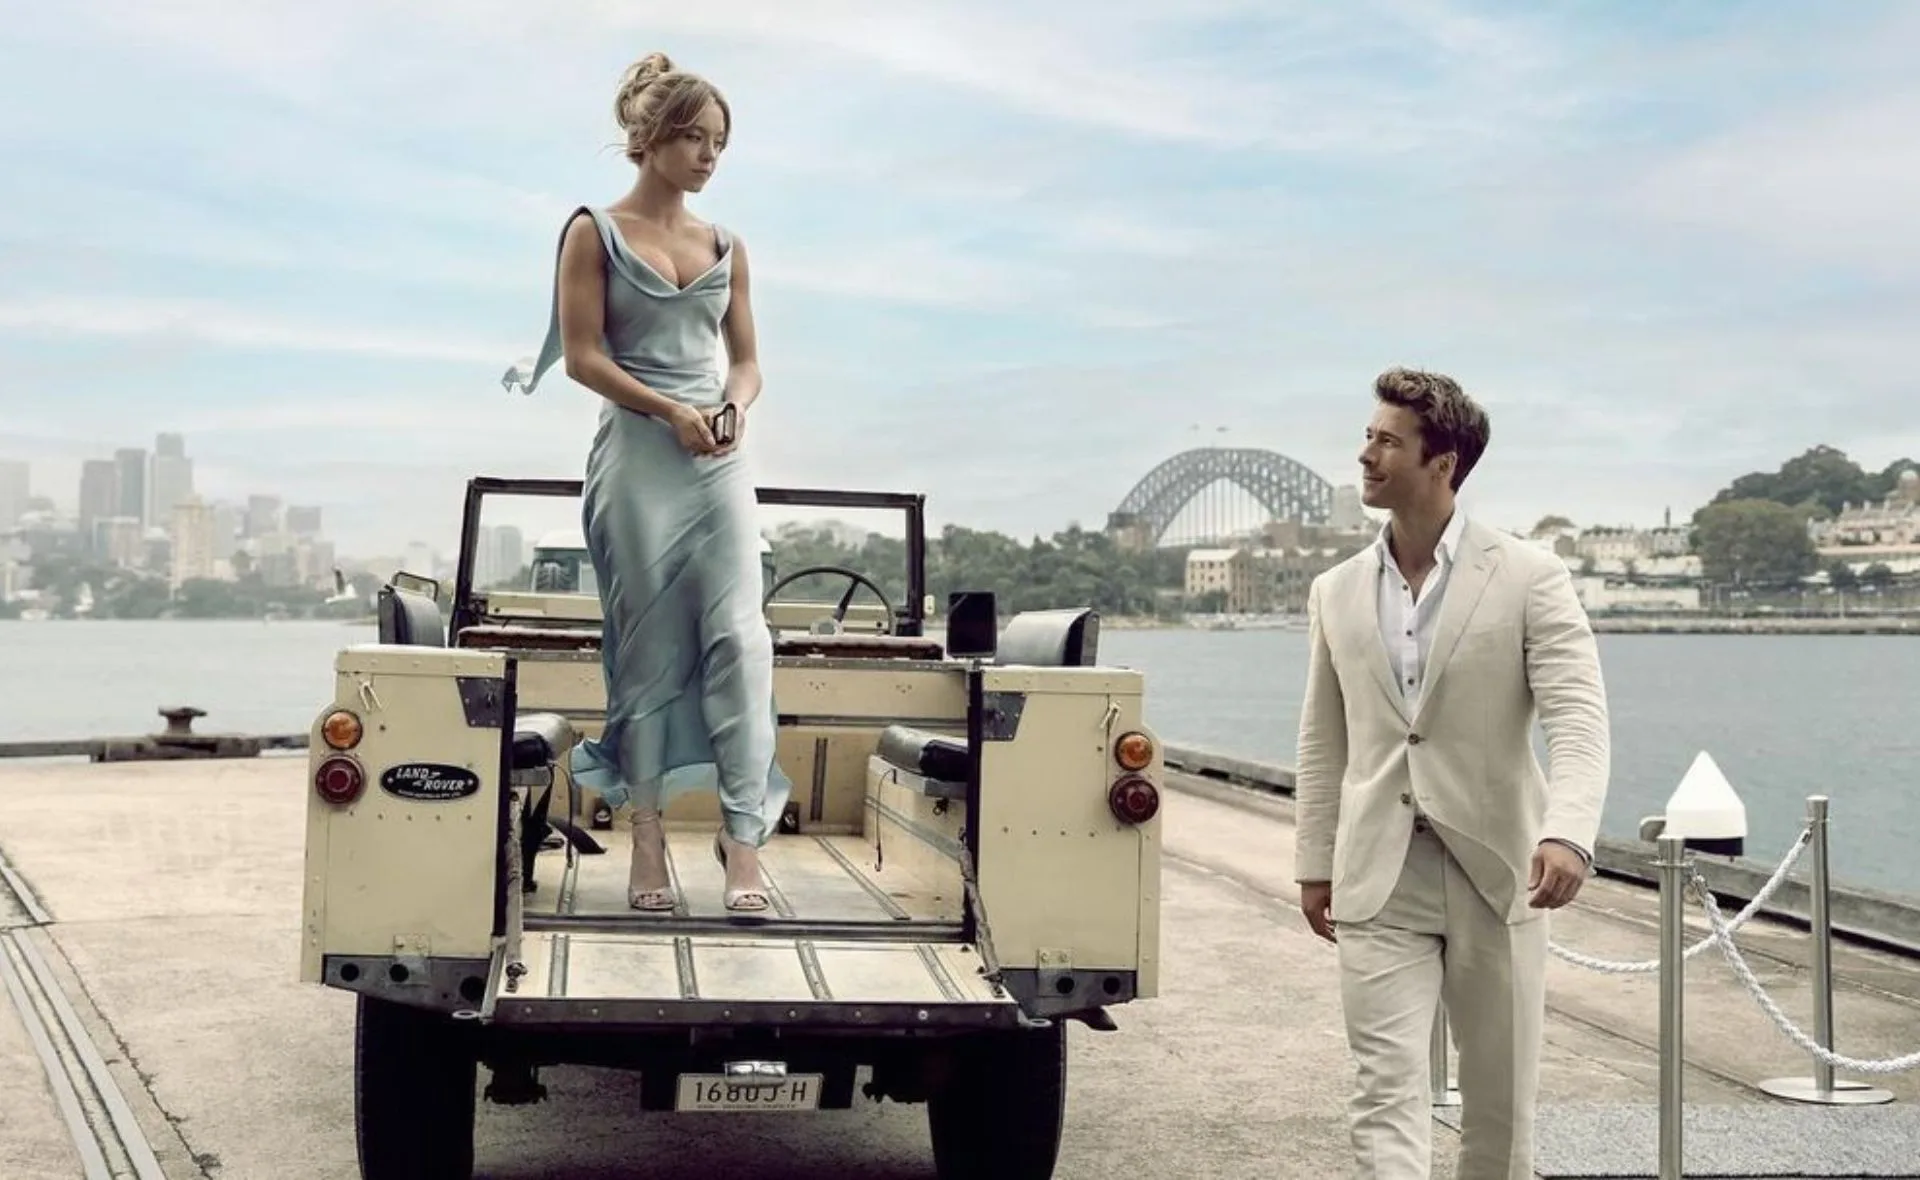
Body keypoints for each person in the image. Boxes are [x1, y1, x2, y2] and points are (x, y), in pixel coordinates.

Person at [1292, 368, 1611, 1179]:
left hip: (1498, 873)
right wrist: (1313, 862)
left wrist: (1568, 832)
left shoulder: (1530, 575)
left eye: (1386, 440)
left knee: (1501, 1110)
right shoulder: (1334, 592)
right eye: (1368, 435)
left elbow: (1578, 717)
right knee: (1384, 1096)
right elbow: (1324, 740)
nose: (1364, 454)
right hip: (1377, 876)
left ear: (1444, 463)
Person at [503, 51, 792, 914]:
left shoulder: (727, 244)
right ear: (651, 139)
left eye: (719, 142)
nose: (709, 156)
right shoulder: (594, 230)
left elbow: (746, 363)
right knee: (648, 652)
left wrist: (731, 410)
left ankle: (744, 846)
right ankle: (649, 835)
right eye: (695, 138)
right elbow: (583, 357)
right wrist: (670, 411)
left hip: (718, 461)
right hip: (637, 460)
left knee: (741, 641)